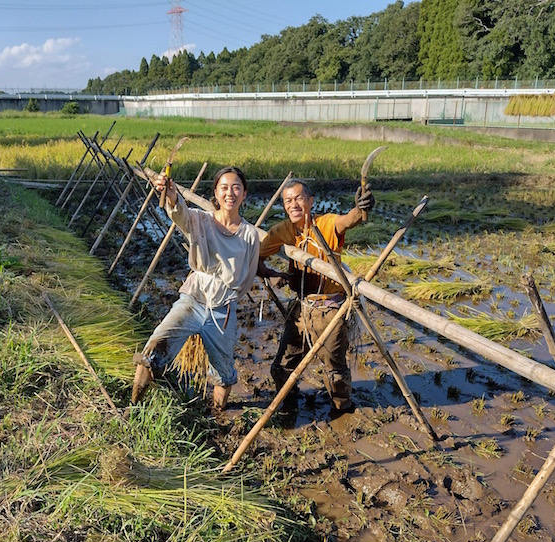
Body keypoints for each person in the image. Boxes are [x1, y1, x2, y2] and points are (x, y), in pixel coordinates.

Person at [131, 166, 260, 411]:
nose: (230, 193)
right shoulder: (201, 220)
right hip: (193, 301)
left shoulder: (249, 234)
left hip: (223, 310)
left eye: (236, 187)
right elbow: (180, 213)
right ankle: (134, 405)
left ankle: (217, 413)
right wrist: (170, 194)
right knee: (154, 347)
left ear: (244, 194)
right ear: (215, 192)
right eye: (224, 187)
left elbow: (248, 275)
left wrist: (228, 298)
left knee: (223, 371)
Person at [257, 179, 374, 412]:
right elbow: (256, 256)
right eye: (288, 201)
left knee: (334, 370)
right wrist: (271, 274)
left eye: (299, 198)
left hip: (330, 310)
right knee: (282, 366)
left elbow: (348, 220)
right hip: (301, 308)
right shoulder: (284, 230)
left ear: (311, 201)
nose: (294, 204)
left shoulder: (327, 224)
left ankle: (342, 410)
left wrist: (361, 209)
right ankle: (289, 403)